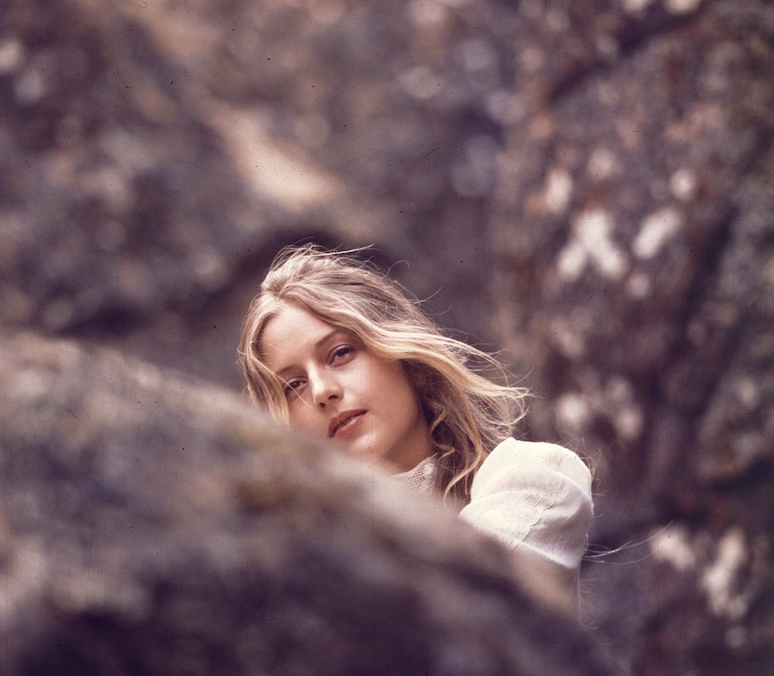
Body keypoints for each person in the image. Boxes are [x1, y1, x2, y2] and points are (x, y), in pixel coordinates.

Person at [237, 244, 593, 605]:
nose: (322, 392)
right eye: (292, 385)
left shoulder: (535, 480)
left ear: (412, 364)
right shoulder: (299, 558)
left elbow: (456, 607)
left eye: (341, 353)